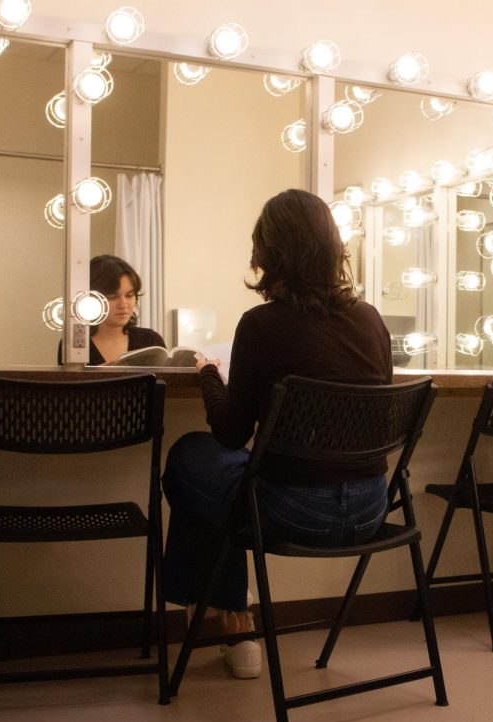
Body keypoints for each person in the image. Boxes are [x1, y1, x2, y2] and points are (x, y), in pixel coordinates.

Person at [162, 188, 393, 679]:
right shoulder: (371, 319)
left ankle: (229, 616)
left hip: (295, 515)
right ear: (334, 247)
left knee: (190, 458)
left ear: (268, 252)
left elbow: (229, 434)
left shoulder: (262, 325)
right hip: (374, 506)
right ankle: (231, 621)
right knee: (219, 484)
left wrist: (207, 373)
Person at [56, 255, 165, 365]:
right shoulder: (76, 346)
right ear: (92, 299)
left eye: (129, 295)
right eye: (112, 296)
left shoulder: (150, 341)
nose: (123, 304)